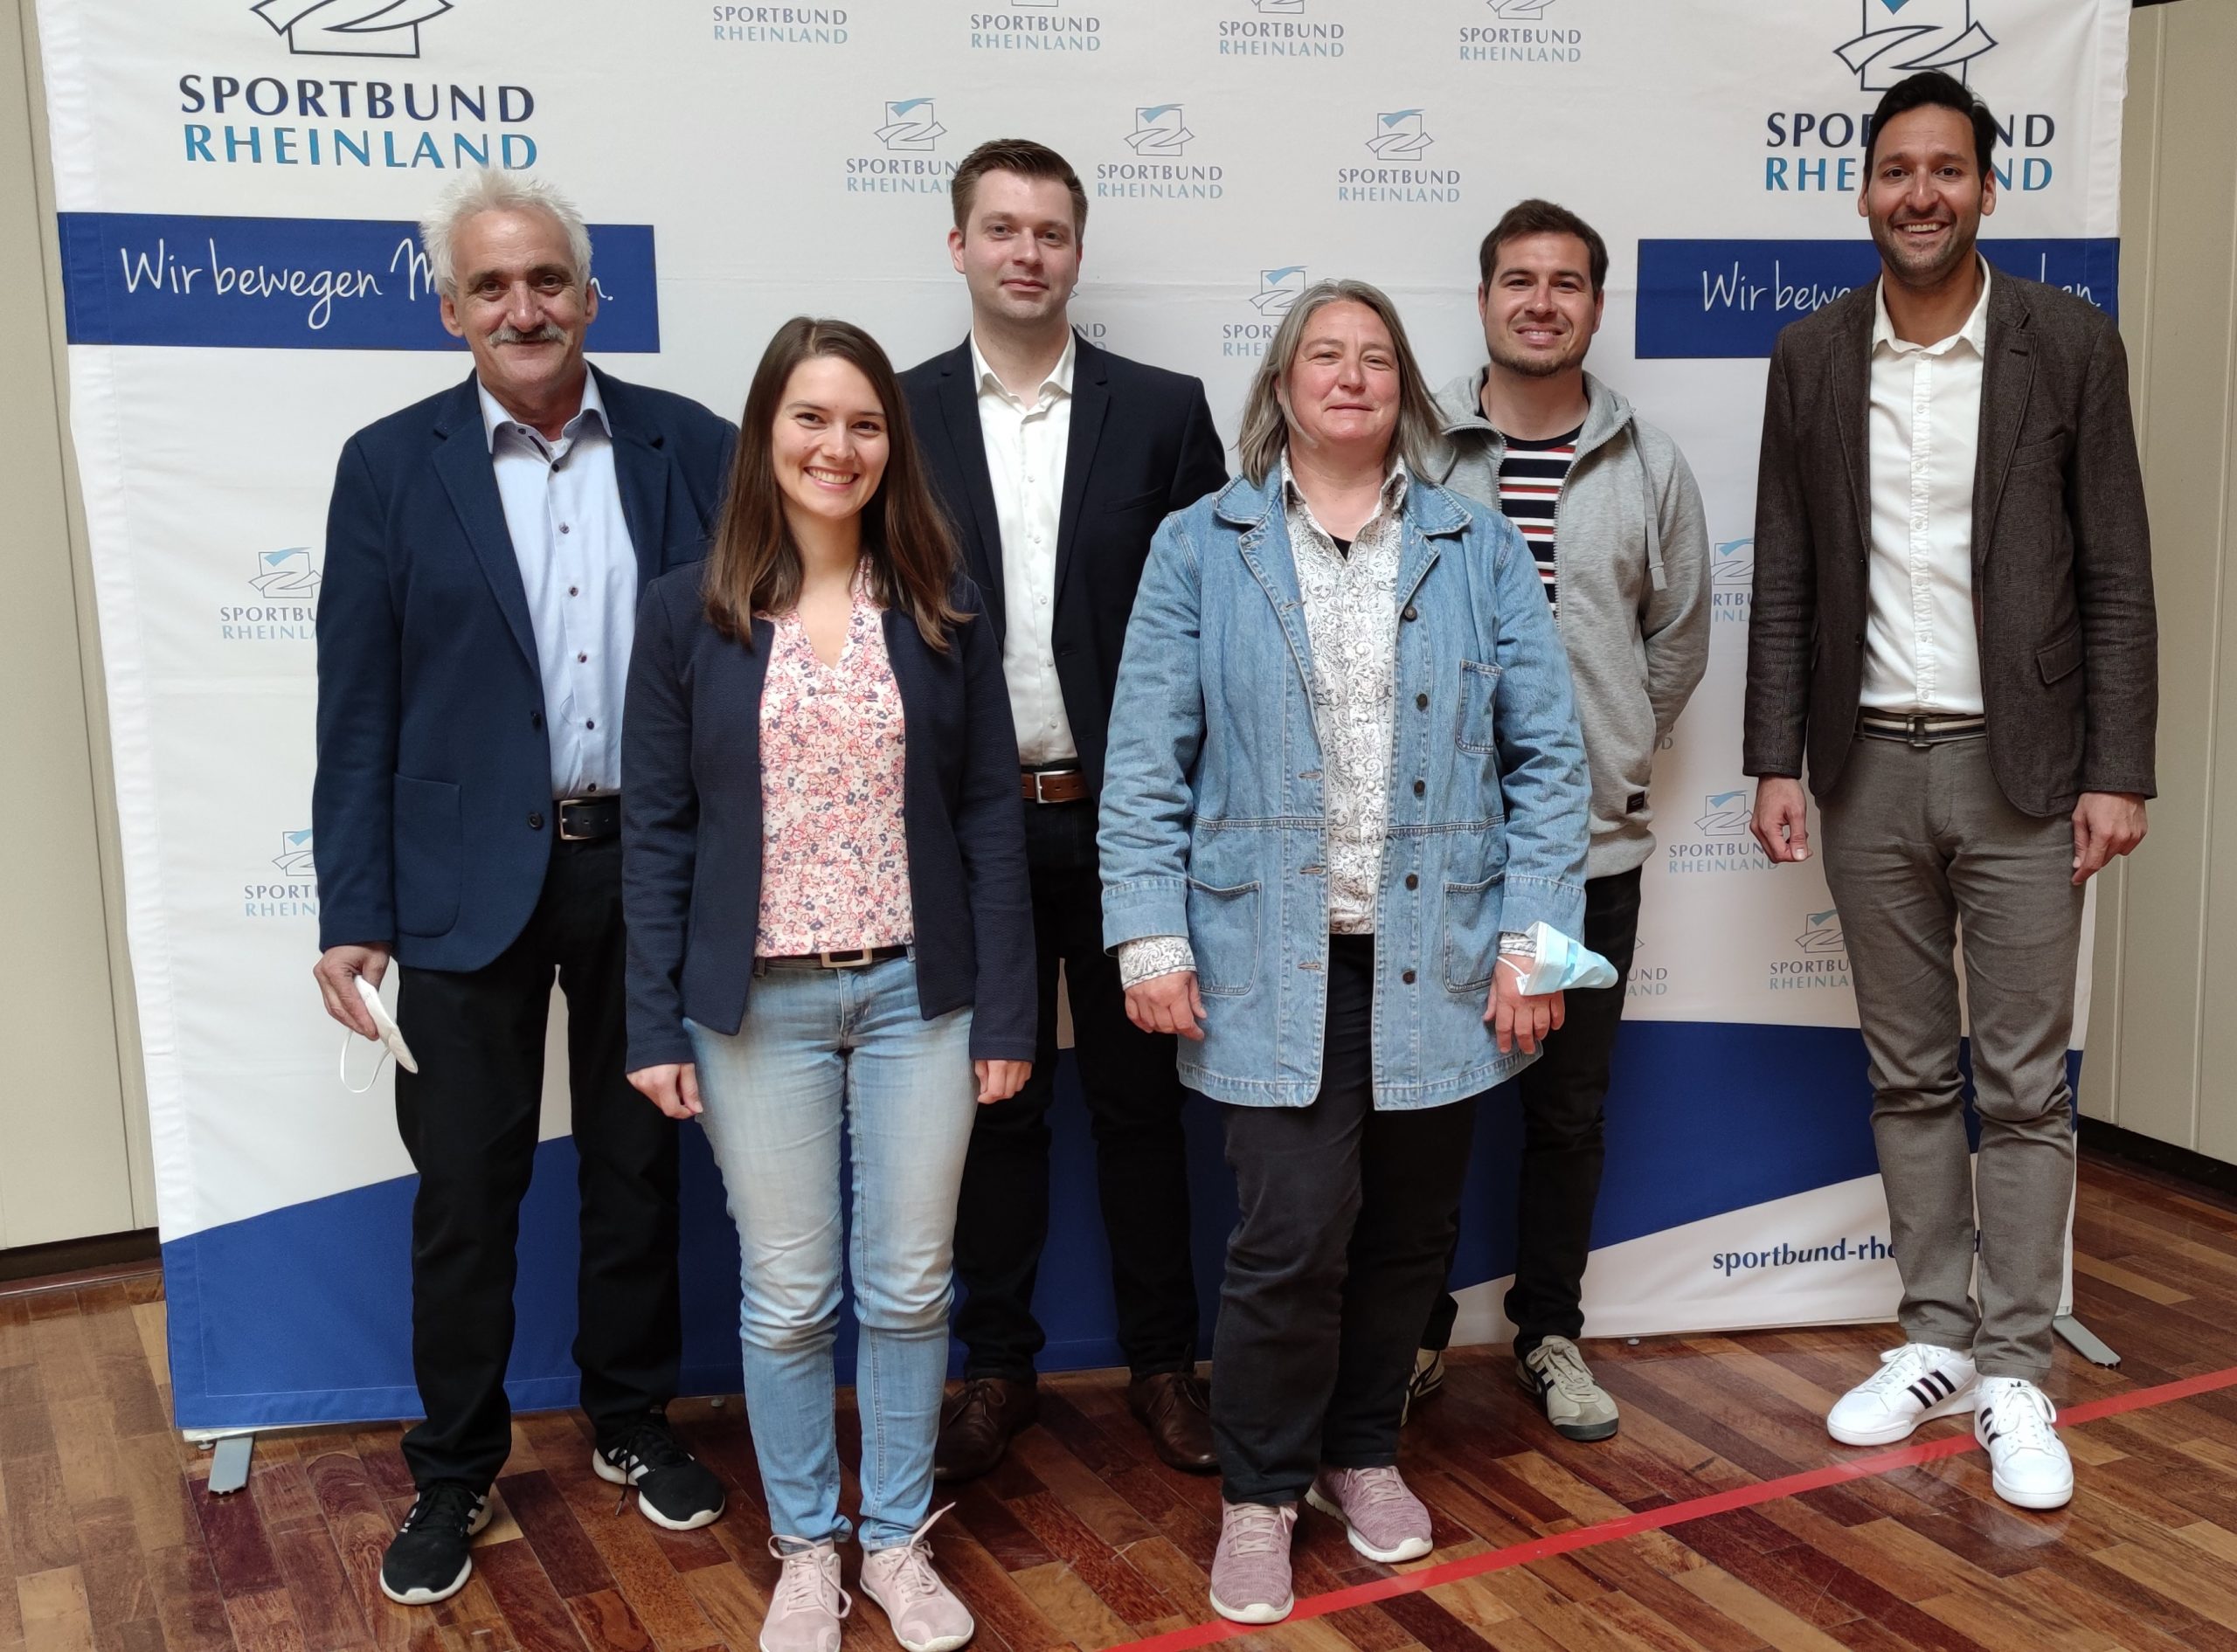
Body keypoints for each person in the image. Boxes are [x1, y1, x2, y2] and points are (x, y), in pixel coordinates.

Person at [1100, 279, 1590, 1623]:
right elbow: (1145, 764)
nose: (1353, 375)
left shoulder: (1476, 546)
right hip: (1269, 959)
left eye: (1377, 357)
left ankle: (1362, 1452)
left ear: (1404, 392)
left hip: (1442, 951)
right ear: (1283, 383)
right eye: (1326, 353)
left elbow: (1552, 762)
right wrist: (1150, 937)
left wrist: (1538, 949)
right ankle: (1260, 1492)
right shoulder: (1202, 546)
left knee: (1412, 1233)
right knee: (1290, 1233)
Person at [310, 169, 733, 1607]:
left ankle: (631, 1421)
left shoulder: (693, 445)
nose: (523, 306)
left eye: (547, 279)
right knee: (466, 1190)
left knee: (637, 1167)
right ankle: (453, 1470)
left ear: (591, 298)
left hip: (648, 868)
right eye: (491, 286)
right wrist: (353, 911)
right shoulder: (388, 465)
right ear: (451, 311)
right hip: (458, 885)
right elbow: (357, 707)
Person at [1746, 71, 2156, 1513]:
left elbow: (2117, 570)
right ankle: (1933, 1335)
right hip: (1865, 765)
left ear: (1988, 186)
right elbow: (1785, 569)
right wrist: (1774, 757)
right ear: (1862, 190)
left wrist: (2117, 769)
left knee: (2024, 1086)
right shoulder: (1812, 354)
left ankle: (2017, 1369)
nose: (1919, 194)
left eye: (1946, 170)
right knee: (1910, 1072)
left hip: (2024, 770)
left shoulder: (2068, 343)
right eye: (1896, 170)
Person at [623, 316, 1035, 1652]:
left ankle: (898, 1540)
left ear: (890, 446)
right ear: (766, 434)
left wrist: (1009, 1007)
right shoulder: (685, 613)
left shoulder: (939, 604)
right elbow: (659, 833)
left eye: (863, 423)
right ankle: (809, 1549)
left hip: (922, 996)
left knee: (911, 1290)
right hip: (756, 1009)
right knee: (790, 1297)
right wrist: (652, 1021)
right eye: (810, 417)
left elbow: (987, 814)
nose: (837, 446)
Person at [900, 138, 1230, 1480]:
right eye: (1002, 228)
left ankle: (1164, 1367)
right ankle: (998, 1373)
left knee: (1145, 1107)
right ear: (959, 246)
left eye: (1049, 231)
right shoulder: (897, 414)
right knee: (997, 1103)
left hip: (1127, 824)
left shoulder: (1163, 412)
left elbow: (1219, 626)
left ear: (1077, 252)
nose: (1026, 252)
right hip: (969, 828)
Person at [1412, 200, 1711, 1441]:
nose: (1542, 302)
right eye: (1519, 281)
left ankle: (1549, 1332)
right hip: (1430, 864)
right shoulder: (1417, 448)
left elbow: (1676, 642)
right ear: (1485, 298)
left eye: (1568, 283)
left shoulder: (1649, 466)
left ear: (1595, 305)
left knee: (1566, 1112)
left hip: (1585, 861)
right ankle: (1413, 1332)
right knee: (1421, 1109)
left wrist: (1611, 742)